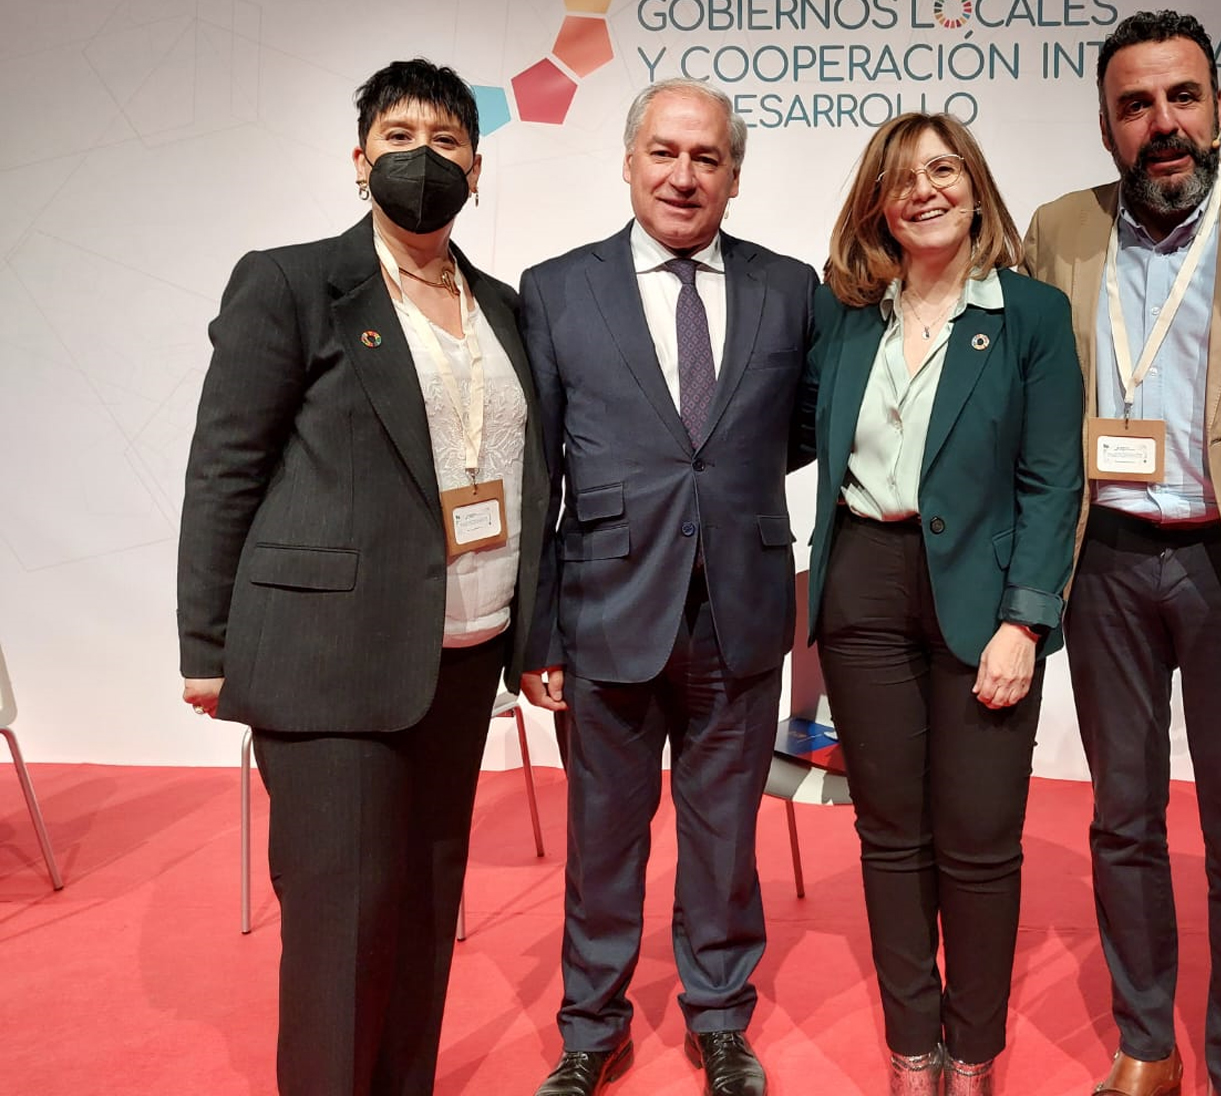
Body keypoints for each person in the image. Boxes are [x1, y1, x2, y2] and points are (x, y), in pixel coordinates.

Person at [177, 59, 546, 1095]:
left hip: (462, 653)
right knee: (343, 929)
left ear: (477, 166)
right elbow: (225, 466)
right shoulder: (292, 283)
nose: (421, 158)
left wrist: (531, 635)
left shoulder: (505, 308)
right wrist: (205, 644)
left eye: (445, 140)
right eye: (398, 137)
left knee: (424, 916)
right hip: (327, 659)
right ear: (358, 160)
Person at [1022, 10, 1221, 1096]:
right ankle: (1146, 1042)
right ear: (1104, 124)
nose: (1161, 123)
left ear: (1216, 108)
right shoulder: (1058, 229)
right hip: (1105, 561)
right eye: (1135, 105)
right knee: (1121, 818)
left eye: (1181, 98)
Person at [520, 79, 816, 1096]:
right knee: (602, 840)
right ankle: (590, 1028)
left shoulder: (790, 289)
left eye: (706, 158)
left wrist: (719, 496)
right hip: (603, 612)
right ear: (628, 161)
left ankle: (720, 1017)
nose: (683, 176)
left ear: (734, 175)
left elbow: (796, 430)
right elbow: (538, 472)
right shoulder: (557, 289)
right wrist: (536, 633)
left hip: (740, 609)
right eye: (664, 152)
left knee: (724, 837)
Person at [802, 113, 1084, 1096]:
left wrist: (1025, 620)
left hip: (983, 598)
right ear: (877, 204)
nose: (923, 190)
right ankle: (911, 1046)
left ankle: (972, 1051)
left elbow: (1053, 479)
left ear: (974, 187)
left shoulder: (1029, 314)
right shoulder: (844, 313)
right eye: (901, 178)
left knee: (978, 841)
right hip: (862, 584)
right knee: (889, 834)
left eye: (942, 169)